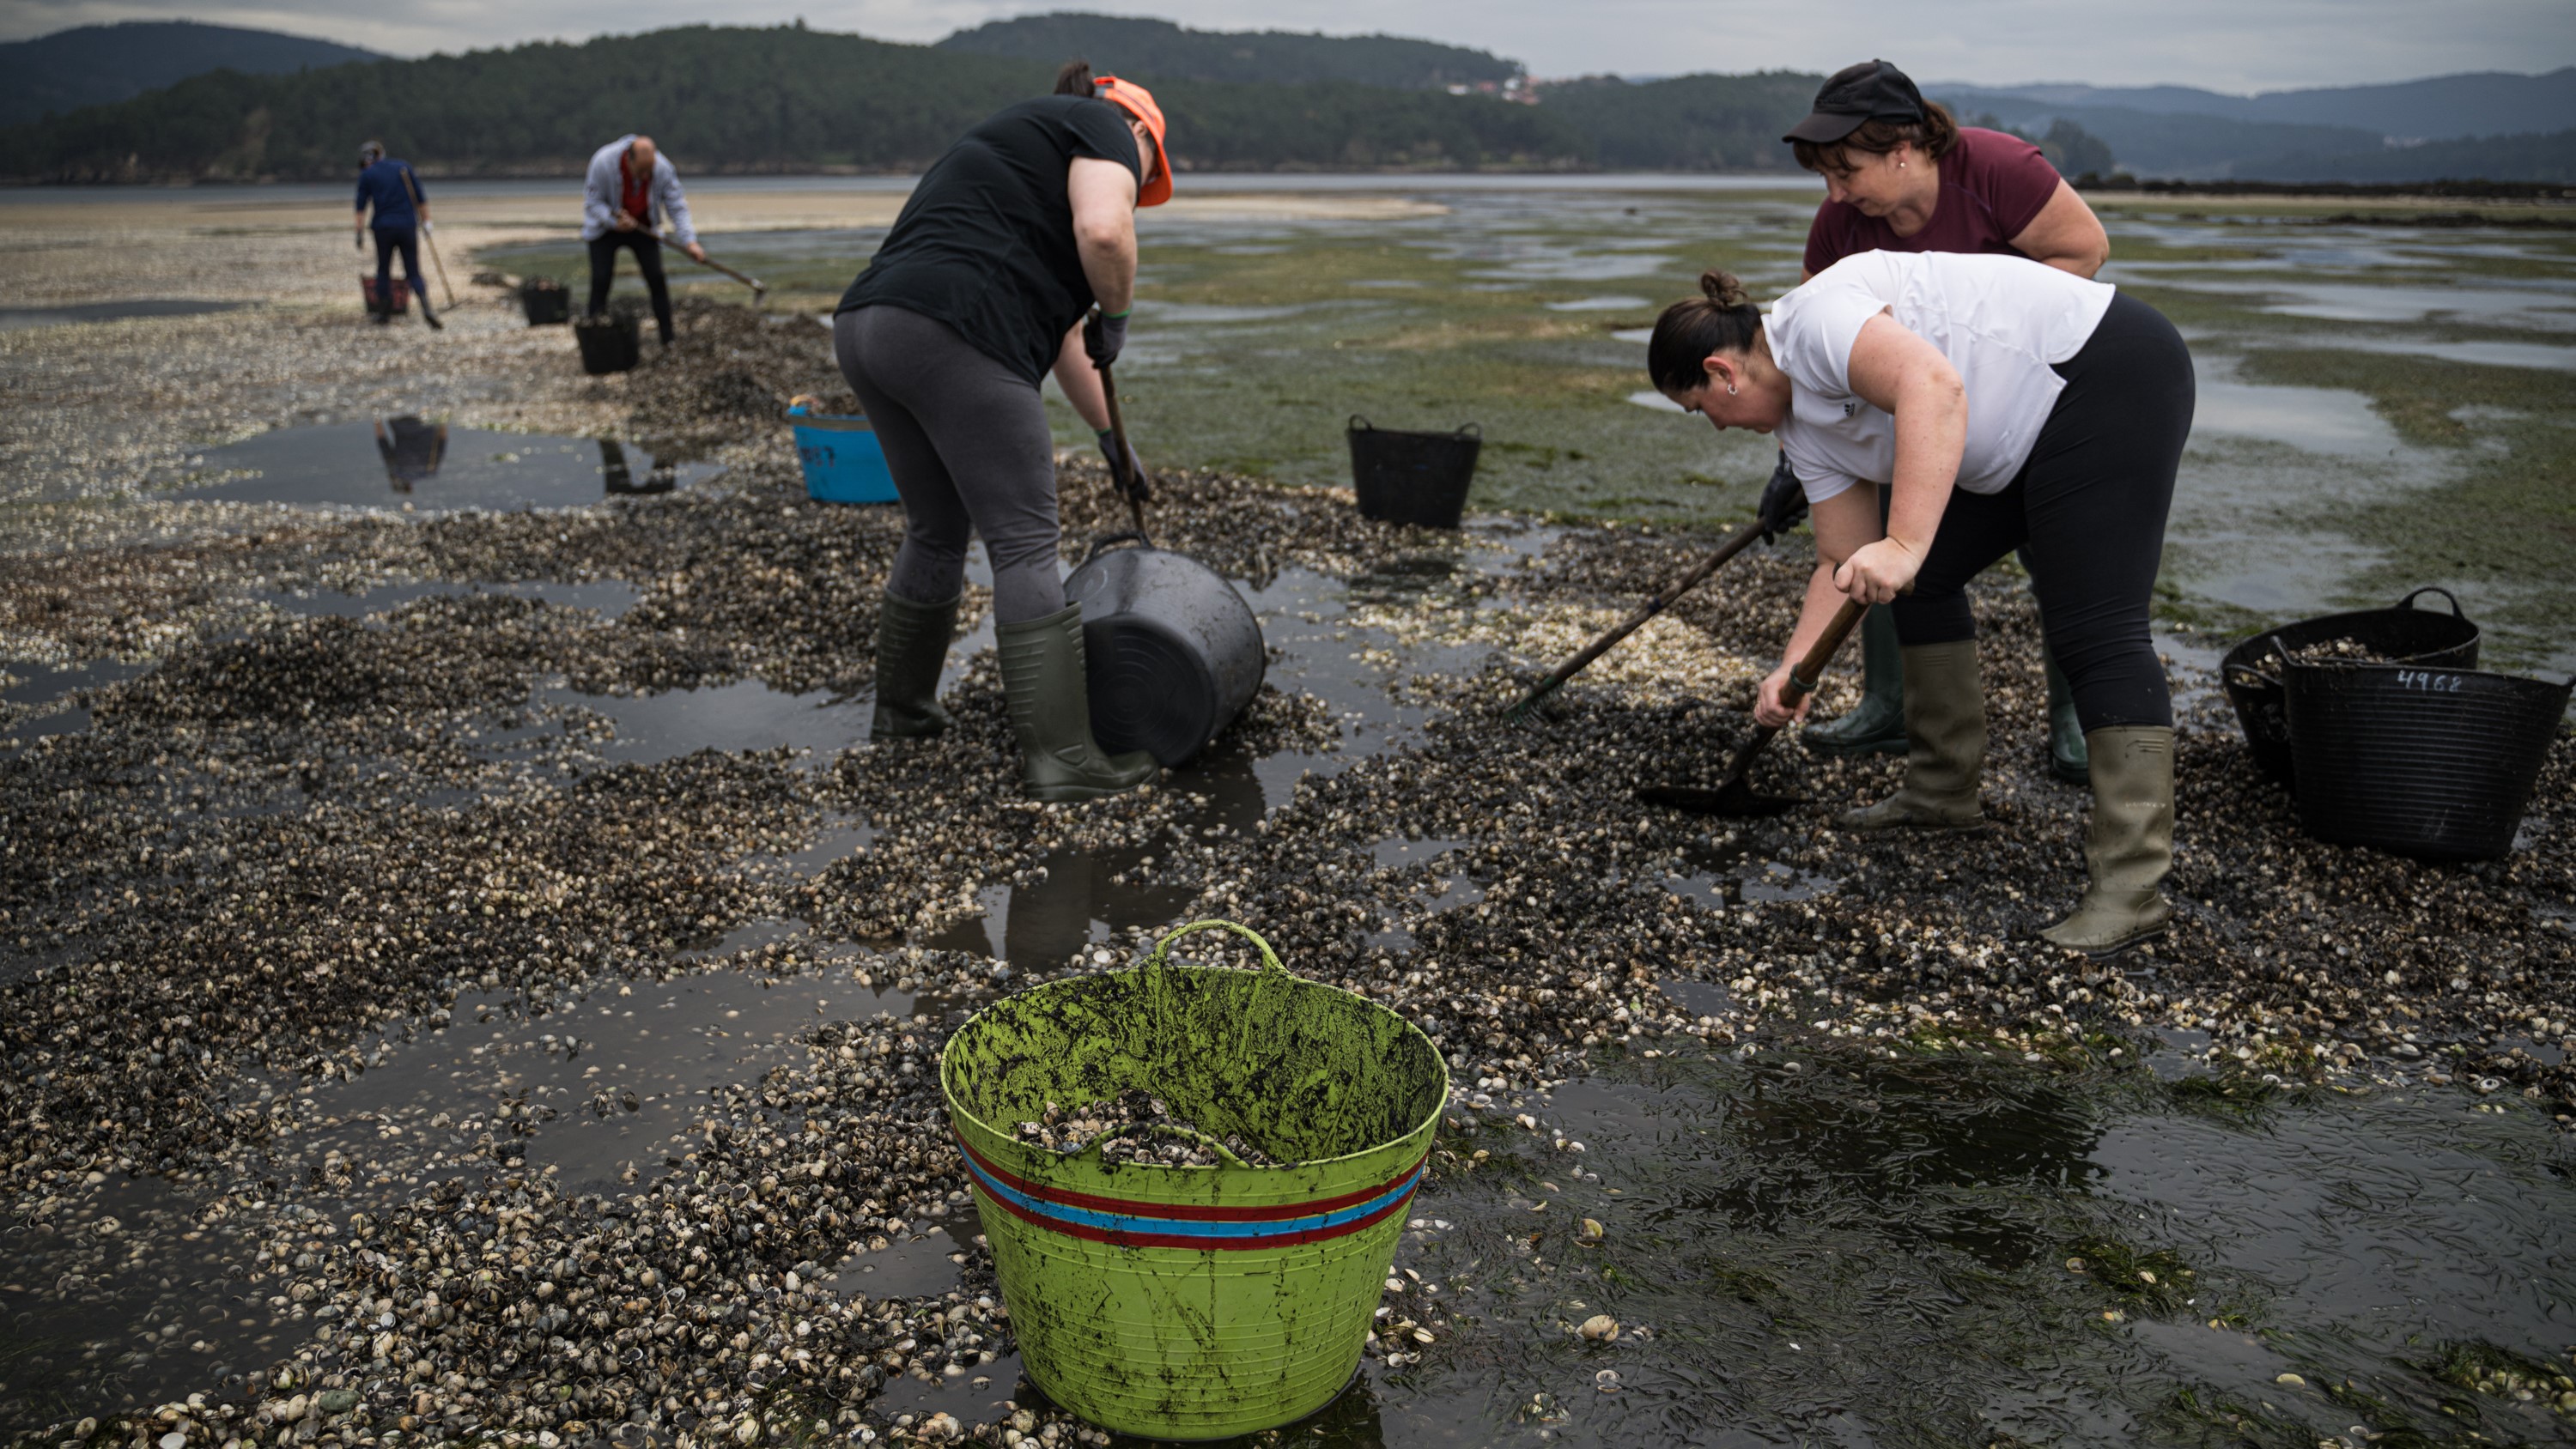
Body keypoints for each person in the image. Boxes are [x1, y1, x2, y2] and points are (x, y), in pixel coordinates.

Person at [1645, 256, 2193, 955]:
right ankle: (1941, 791)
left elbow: (1933, 384)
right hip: (2017, 436)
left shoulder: (1815, 323)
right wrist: (1792, 670)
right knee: (1921, 579)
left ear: (1723, 372)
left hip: (2106, 371)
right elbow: (1841, 562)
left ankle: (2132, 886)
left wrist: (1903, 540)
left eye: (1701, 411)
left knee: (2094, 628)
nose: (1715, 427)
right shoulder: (1802, 432)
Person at [830, 63, 1173, 802]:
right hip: (955, 329)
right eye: (1146, 179)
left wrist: (1114, 441)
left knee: (935, 527)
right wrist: (1115, 316)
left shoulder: (1023, 148)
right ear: (1140, 131)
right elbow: (1106, 232)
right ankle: (1063, 759)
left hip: (870, 326)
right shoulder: (1107, 127)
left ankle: (903, 716)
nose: (1137, 194)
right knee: (1022, 541)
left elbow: (1058, 345)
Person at [1780, 60, 2111, 783]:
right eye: (1826, 177)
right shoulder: (1842, 220)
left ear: (1903, 148)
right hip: (1921, 411)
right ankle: (1890, 707)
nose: (1835, 193)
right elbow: (1816, 340)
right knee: (1893, 551)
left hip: (2035, 393)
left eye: (1847, 171)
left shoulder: (1996, 168)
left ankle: (2076, 719)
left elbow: (2084, 251)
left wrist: (1985, 339)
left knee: (2060, 552)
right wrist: (1794, 463)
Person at [582, 135, 707, 347]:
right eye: (641, 171)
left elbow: (676, 206)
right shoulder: (603, 161)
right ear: (628, 159)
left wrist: (690, 241)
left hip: (644, 228)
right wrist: (613, 221)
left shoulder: (663, 168)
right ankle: (593, 335)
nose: (646, 175)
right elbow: (593, 203)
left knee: (657, 279)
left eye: (649, 170)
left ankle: (668, 340)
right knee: (601, 279)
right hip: (607, 229)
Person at [353, 142, 440, 330]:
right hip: (407, 226)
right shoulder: (403, 167)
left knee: (383, 269)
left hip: (383, 228)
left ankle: (384, 314)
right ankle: (427, 309)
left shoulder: (368, 175)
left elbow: (360, 208)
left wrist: (358, 232)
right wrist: (427, 222)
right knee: (413, 270)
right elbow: (420, 198)